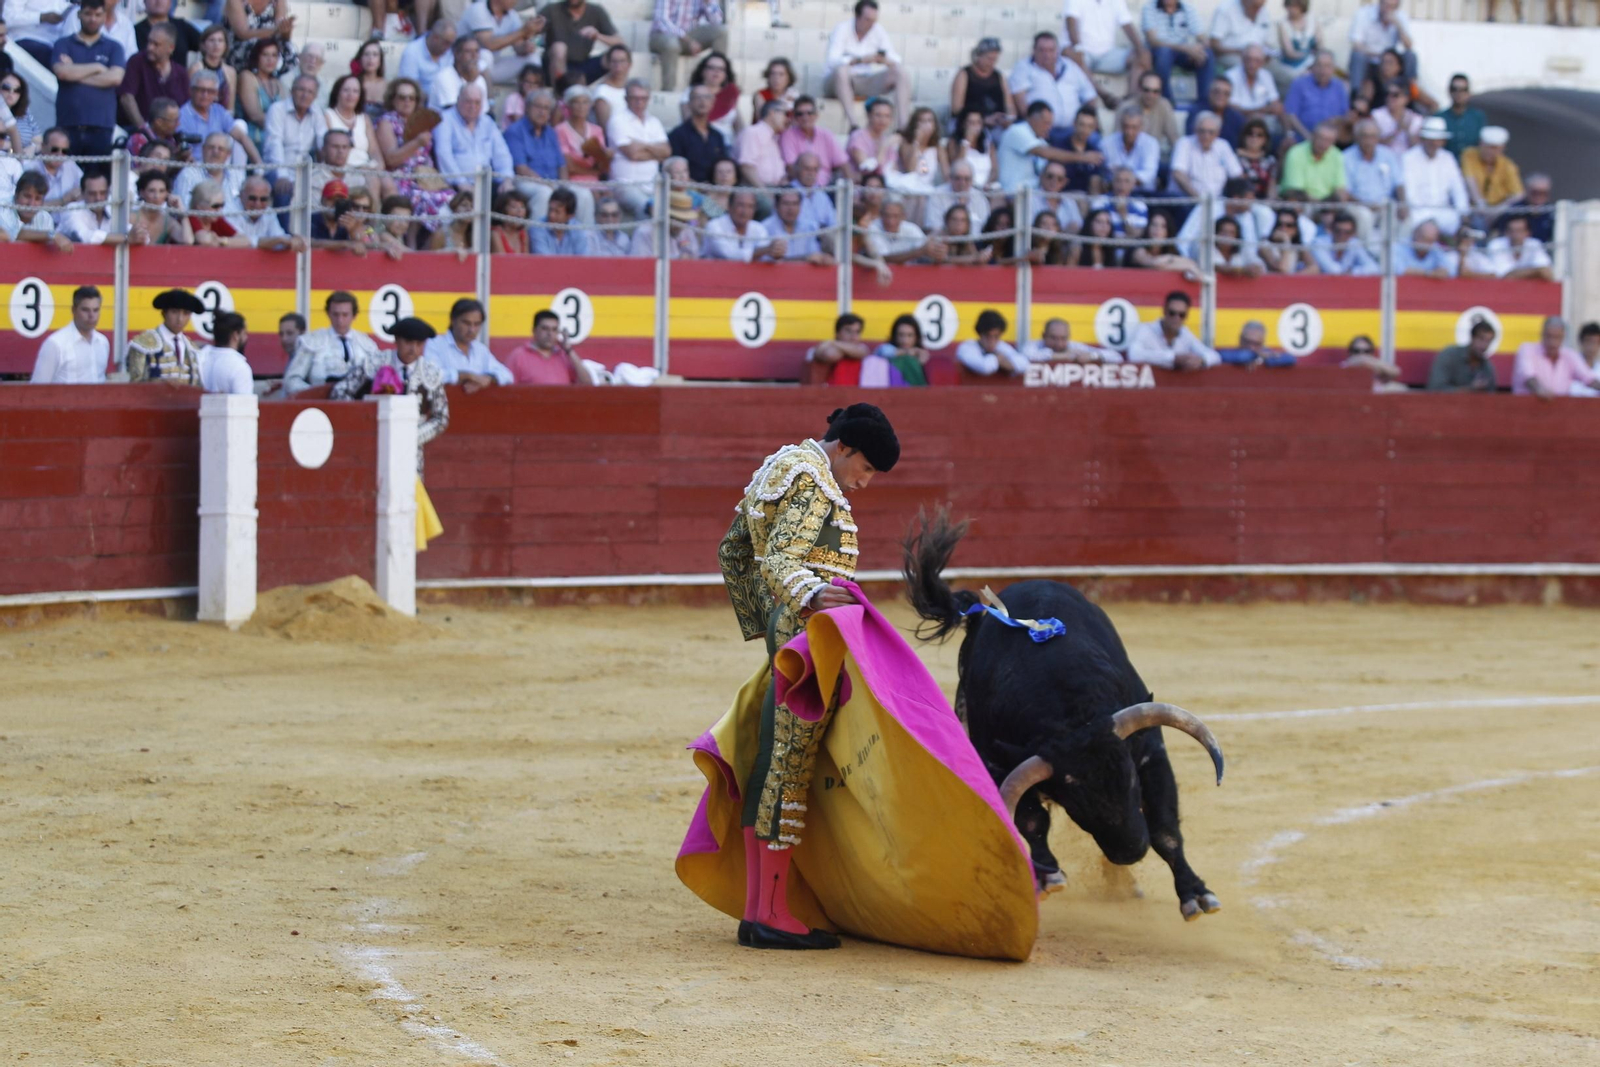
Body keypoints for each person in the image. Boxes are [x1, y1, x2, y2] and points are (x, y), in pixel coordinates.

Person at [698, 403, 898, 951]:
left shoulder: (782, 466)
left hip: (787, 634)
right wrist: (805, 601)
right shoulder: (815, 482)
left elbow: (734, 551)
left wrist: (768, 624)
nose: (864, 483)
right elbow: (783, 558)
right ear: (847, 449)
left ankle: (761, 909)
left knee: (772, 757)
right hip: (810, 640)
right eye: (867, 470)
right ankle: (769, 914)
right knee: (789, 763)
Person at [331, 316, 450, 552]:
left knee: (407, 506)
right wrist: (368, 429)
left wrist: (410, 438)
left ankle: (404, 559)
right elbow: (340, 394)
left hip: (411, 455)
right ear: (396, 340)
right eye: (408, 342)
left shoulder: (431, 373)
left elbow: (441, 417)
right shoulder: (374, 363)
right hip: (372, 449)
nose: (413, 349)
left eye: (419, 343)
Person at [51, 0, 126, 163]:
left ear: (104, 16)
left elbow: (115, 77)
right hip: (68, 124)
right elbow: (62, 73)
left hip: (101, 126)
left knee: (97, 181)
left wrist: (76, 73)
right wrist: (98, 66)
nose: (93, 19)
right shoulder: (63, 44)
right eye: (88, 14)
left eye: (98, 14)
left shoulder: (114, 47)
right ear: (79, 15)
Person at [825, 0, 908, 130]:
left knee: (900, 72)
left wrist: (883, 60)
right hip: (838, 81)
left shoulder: (877, 30)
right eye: (867, 19)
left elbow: (896, 59)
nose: (871, 24)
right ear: (857, 16)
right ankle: (853, 124)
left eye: (874, 20)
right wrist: (860, 60)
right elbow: (832, 61)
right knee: (842, 71)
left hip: (864, 80)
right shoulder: (842, 28)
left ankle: (903, 127)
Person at [283, 290, 380, 396]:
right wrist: (316, 392)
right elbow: (291, 381)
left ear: (354, 315)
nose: (340, 320)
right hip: (320, 405)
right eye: (336, 314)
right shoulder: (312, 341)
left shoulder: (367, 345)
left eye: (345, 315)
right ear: (328, 314)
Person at [1009, 32, 1097, 135]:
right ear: (1034, 51)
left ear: (1057, 51)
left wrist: (1089, 123)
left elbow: (1089, 96)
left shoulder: (1070, 66)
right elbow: (1021, 104)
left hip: (1075, 131)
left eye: (1051, 50)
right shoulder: (1023, 68)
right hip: (1043, 132)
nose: (1047, 55)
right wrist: (1039, 128)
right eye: (1042, 50)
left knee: (1098, 144)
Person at [608, 79, 671, 219]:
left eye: (643, 98)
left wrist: (642, 144)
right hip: (625, 185)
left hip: (653, 185)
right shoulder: (618, 120)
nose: (639, 102)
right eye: (634, 98)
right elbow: (633, 154)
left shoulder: (654, 122)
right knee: (648, 207)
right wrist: (655, 151)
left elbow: (666, 152)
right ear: (626, 99)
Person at [435, 84, 515, 194]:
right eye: (468, 101)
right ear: (458, 100)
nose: (473, 106)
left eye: (477, 102)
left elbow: (502, 154)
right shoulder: (444, 120)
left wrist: (506, 179)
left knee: (511, 198)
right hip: (456, 185)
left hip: (486, 183)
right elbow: (444, 155)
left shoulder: (487, 122)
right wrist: (461, 183)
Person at [426, 298, 513, 391]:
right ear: (453, 320)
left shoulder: (480, 349)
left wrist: (487, 379)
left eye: (477, 324)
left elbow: (507, 375)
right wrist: (466, 376)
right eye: (466, 323)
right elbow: (430, 376)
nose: (472, 330)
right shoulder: (434, 345)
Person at [1403, 117, 1469, 238]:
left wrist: (1463, 213)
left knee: (1461, 227)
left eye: (1438, 140)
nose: (1434, 143)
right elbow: (1410, 195)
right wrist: (1430, 218)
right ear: (1423, 139)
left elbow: (1458, 189)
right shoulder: (1409, 158)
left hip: (1444, 212)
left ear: (1443, 141)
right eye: (1430, 139)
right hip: (1419, 212)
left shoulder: (1448, 158)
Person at [262, 74, 323, 202]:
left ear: (315, 96)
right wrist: (282, 175)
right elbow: (274, 144)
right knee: (284, 191)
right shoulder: (277, 109)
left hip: (305, 172)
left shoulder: (317, 112)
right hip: (277, 168)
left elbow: (323, 141)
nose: (305, 95)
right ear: (292, 91)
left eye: (310, 92)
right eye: (301, 90)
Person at [181, 69, 262, 165]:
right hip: (195, 167)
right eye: (200, 90)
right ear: (191, 91)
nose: (205, 95)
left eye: (210, 91)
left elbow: (241, 137)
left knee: (240, 125)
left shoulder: (218, 111)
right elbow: (184, 153)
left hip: (220, 166)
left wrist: (258, 164)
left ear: (216, 94)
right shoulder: (182, 115)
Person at [31, 286, 109, 384]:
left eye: (96, 310)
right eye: (85, 310)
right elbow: (37, 389)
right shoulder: (55, 344)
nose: (91, 315)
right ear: (73, 310)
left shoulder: (102, 343)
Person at [119, 21, 188, 130]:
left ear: (170, 48)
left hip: (170, 134)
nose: (150, 47)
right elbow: (126, 97)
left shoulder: (181, 73)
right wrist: (143, 128)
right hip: (136, 130)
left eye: (156, 44)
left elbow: (185, 108)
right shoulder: (137, 61)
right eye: (149, 42)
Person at [1142, 0, 1213, 105]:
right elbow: (1153, 41)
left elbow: (1202, 37)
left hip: (1182, 53)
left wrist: (1198, 48)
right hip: (1160, 52)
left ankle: (1205, 102)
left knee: (1207, 54)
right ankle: (1166, 101)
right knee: (1163, 53)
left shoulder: (1188, 8)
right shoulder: (1149, 8)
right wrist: (1186, 49)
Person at [126, 288, 205, 383]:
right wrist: (160, 383)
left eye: (186, 313)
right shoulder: (143, 344)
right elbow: (134, 385)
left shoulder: (193, 348)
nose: (180, 319)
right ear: (164, 313)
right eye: (174, 312)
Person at [1064, 0, 1149, 86]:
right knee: (1071, 54)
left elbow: (1126, 24)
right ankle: (1102, 95)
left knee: (1141, 56)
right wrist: (1078, 48)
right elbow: (1071, 23)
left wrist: (1141, 50)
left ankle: (1131, 98)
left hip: (1108, 55)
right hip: (1083, 53)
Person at [1128, 290, 1219, 369]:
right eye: (1172, 313)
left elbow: (1214, 356)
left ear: (1186, 316)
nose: (1176, 318)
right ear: (1164, 311)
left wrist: (1201, 361)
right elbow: (1134, 355)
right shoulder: (1146, 330)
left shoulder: (1185, 334)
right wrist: (1172, 358)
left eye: (1181, 315)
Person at [538, 0, 621, 85]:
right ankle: (560, 93)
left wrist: (598, 36)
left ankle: (614, 92)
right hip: (553, 66)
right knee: (559, 48)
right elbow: (531, 30)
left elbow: (619, 42)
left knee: (617, 57)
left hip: (582, 65)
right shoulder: (552, 10)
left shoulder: (596, 11)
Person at [649, 0, 726, 92]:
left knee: (722, 32)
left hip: (690, 37)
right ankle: (668, 91)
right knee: (671, 45)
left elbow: (717, 22)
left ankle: (715, 87)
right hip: (662, 35)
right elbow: (661, 21)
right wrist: (688, 40)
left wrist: (708, 3)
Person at [503, 309, 596, 384]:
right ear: (534, 330)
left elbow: (587, 383)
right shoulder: (518, 356)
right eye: (545, 329)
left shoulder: (564, 356)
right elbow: (506, 388)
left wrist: (569, 350)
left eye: (554, 330)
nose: (550, 334)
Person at [460, 0, 542, 85]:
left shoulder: (512, 15)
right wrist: (522, 32)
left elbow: (518, 46)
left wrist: (526, 46)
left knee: (533, 58)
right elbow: (489, 44)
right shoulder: (479, 9)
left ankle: (533, 95)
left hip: (493, 67)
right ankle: (482, 93)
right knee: (485, 55)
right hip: (466, 67)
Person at [1512, 317, 1595, 399]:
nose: (1552, 342)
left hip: (1560, 409)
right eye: (1549, 336)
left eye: (1557, 337)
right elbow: (1528, 377)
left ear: (1563, 337)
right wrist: (1539, 389)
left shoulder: (1570, 355)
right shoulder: (1527, 350)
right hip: (1526, 408)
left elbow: (1589, 379)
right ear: (1542, 334)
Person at [1169, 110, 1241, 198]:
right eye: (1202, 131)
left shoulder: (1223, 146)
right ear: (1195, 130)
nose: (1206, 136)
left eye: (1211, 132)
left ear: (1218, 133)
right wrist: (1198, 198)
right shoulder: (1184, 143)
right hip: (1187, 199)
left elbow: (1237, 175)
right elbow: (1178, 174)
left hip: (1217, 201)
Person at [1346, 0, 1413, 93]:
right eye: (1386, 5)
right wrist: (1379, 55)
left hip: (1389, 63)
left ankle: (1411, 93)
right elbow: (1356, 45)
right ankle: (1355, 96)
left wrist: (1398, 25)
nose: (1387, 10)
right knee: (1358, 56)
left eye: (1391, 7)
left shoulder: (1400, 17)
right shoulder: (1363, 13)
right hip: (1369, 59)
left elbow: (1408, 45)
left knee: (1410, 56)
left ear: (1396, 8)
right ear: (1380, 3)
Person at [951, 38, 1015, 132]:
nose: (992, 62)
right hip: (969, 123)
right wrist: (983, 120)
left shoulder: (999, 76)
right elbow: (956, 109)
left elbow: (1010, 106)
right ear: (979, 56)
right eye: (989, 58)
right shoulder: (964, 74)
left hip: (997, 124)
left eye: (995, 59)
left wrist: (1008, 119)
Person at [1284, 50, 1345, 146]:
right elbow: (1291, 115)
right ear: (1313, 67)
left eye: (1327, 66)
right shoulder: (1299, 84)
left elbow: (1344, 115)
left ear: (1333, 69)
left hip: (1331, 141)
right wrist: (1309, 137)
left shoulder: (1339, 87)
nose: (1323, 70)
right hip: (1303, 140)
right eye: (1319, 65)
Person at [0, 171, 74, 251]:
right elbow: (14, 234)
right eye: (27, 196)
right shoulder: (4, 208)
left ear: (42, 202)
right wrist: (52, 235)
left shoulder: (45, 218)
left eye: (37, 199)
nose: (31, 204)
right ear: (16, 195)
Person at [704, 190, 785, 262]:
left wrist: (776, 251)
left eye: (750, 206)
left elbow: (765, 257)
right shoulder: (714, 226)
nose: (745, 211)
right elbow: (729, 255)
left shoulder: (758, 228)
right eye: (741, 205)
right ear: (729, 206)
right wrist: (766, 250)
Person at [1280, 121, 1347, 203]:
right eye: (1321, 138)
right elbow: (1295, 190)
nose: (1323, 143)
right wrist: (1319, 205)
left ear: (1334, 142)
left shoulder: (1337, 155)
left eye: (1328, 140)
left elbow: (1340, 189)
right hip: (1301, 202)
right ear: (1313, 136)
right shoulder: (1296, 153)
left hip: (1327, 205)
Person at [223, 0, 294, 76]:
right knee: (255, 49)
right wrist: (275, 30)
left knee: (289, 50)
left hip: (270, 42)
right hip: (243, 42)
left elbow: (282, 32)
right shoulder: (235, 1)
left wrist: (286, 28)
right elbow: (242, 33)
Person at [1426, 318, 1498, 393]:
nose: (1484, 345)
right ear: (1472, 338)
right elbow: (1435, 389)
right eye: (1481, 339)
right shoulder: (1450, 356)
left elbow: (1491, 398)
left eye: (1488, 341)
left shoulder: (1487, 368)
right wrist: (1470, 389)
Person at [1460, 126, 1523, 212]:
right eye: (1488, 147)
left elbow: (1518, 194)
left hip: (1497, 209)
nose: (1491, 152)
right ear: (1480, 144)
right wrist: (1480, 203)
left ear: (1503, 148)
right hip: (1473, 206)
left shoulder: (1508, 165)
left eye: (1495, 148)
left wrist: (1498, 209)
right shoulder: (1470, 155)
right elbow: (1469, 179)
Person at [59, 171, 130, 245]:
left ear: (108, 192)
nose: (98, 198)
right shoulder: (72, 210)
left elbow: (129, 230)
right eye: (92, 194)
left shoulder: (113, 210)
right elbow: (86, 237)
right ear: (82, 193)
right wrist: (126, 238)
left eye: (102, 193)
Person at [1102, 104, 1160, 193]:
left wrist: (1122, 182)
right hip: (1113, 193)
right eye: (1126, 126)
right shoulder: (1107, 143)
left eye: (1134, 127)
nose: (1129, 132)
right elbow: (1106, 173)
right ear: (1121, 125)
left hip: (1142, 193)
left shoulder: (1151, 144)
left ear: (1141, 127)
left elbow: (1149, 174)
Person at [768, 188, 833, 266]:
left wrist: (823, 258)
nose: (790, 208)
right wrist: (805, 258)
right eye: (786, 203)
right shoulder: (766, 227)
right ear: (776, 206)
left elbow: (814, 256)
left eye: (795, 204)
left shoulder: (809, 227)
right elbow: (768, 263)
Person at [923, 158, 989, 233]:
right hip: (945, 240)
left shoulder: (979, 197)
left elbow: (985, 224)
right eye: (958, 178)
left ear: (972, 180)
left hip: (975, 242)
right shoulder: (937, 195)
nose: (962, 183)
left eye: (966, 179)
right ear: (950, 178)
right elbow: (933, 226)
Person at [195, 311, 254, 394]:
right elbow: (244, 405)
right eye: (244, 333)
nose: (246, 337)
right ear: (236, 335)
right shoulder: (240, 367)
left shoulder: (198, 357)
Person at [630, 190, 702, 258]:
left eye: (685, 220)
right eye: (678, 219)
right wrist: (677, 261)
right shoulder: (645, 232)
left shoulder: (687, 230)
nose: (681, 225)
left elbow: (695, 258)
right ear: (666, 216)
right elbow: (640, 266)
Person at [956, 309, 1028, 377]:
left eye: (996, 336)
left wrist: (1011, 365)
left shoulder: (1001, 346)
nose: (992, 341)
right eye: (988, 336)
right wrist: (998, 359)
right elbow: (984, 367)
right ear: (980, 334)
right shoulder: (967, 347)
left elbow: (1024, 364)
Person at [737, 99, 790, 190]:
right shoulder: (753, 132)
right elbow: (746, 167)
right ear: (772, 113)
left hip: (774, 189)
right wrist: (765, 193)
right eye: (785, 114)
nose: (787, 119)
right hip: (755, 190)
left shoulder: (774, 138)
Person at [805, 313, 871, 385]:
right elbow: (831, 355)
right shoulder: (822, 348)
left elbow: (862, 352)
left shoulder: (829, 344)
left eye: (857, 332)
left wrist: (833, 343)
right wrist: (847, 350)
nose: (853, 336)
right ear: (837, 333)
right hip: (828, 394)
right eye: (848, 331)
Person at [1207, 0, 1273, 72]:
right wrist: (1240, 51)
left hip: (1259, 57)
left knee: (1285, 75)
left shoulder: (1263, 11)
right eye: (1255, 7)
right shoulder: (1225, 9)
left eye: (1261, 6)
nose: (1258, 10)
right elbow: (1214, 45)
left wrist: (1267, 52)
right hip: (1234, 57)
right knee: (1250, 67)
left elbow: (1267, 42)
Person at [429, 35, 489, 113]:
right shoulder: (444, 77)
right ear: (457, 54)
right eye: (468, 51)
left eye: (476, 51)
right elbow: (454, 113)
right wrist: (471, 83)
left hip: (472, 124)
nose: (474, 56)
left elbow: (484, 112)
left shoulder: (479, 79)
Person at [399, 21, 459, 99]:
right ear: (435, 38)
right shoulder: (412, 52)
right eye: (446, 43)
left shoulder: (449, 51)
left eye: (451, 44)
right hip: (423, 102)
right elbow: (410, 86)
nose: (448, 48)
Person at [1023, 316, 1120, 364]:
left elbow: (1116, 357)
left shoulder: (1074, 347)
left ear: (1068, 337)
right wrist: (1064, 356)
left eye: (1063, 338)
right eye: (1054, 338)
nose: (1059, 344)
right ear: (1044, 336)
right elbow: (1027, 356)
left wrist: (1092, 356)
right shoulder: (1034, 345)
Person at [845, 96, 899, 181]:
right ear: (869, 115)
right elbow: (868, 171)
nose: (883, 120)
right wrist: (883, 147)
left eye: (887, 116)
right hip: (861, 187)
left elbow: (893, 170)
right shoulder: (858, 137)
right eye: (878, 115)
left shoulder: (886, 139)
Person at [27, 129, 84, 206]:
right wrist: (63, 200)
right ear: (43, 147)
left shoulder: (70, 165)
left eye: (64, 151)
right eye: (55, 150)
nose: (59, 155)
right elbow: (29, 207)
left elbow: (85, 188)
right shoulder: (30, 168)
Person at [1486, 215, 1552, 281]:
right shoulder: (1496, 245)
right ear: (1506, 232)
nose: (1515, 235)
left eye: (1519, 231)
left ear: (1528, 233)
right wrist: (1536, 272)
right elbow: (1504, 277)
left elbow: (1546, 273)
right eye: (1512, 231)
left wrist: (1520, 274)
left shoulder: (1535, 244)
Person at [1436, 73, 1486, 160]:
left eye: (1463, 90)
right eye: (1454, 89)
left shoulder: (1478, 118)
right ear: (1449, 91)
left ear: (1469, 93)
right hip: (1445, 168)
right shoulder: (1439, 118)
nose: (1458, 93)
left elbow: (1483, 145)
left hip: (1471, 168)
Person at [530, 185, 592, 255]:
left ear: (570, 216)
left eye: (557, 212)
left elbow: (583, 260)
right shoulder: (538, 227)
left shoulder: (578, 230)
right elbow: (544, 261)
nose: (551, 215)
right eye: (550, 209)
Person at [190, 23, 238, 113]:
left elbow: (231, 106)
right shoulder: (195, 69)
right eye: (212, 40)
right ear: (204, 45)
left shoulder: (231, 72)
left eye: (220, 41)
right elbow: (191, 99)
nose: (216, 45)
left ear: (225, 45)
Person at [1272, 0, 1319, 91]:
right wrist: (1308, 56)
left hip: (1312, 61)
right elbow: (1290, 53)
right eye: (1289, 5)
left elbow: (1320, 45)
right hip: (1292, 64)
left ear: (1302, 6)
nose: (1291, 9)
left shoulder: (1313, 21)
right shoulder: (1283, 24)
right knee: (1306, 76)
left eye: (1295, 6)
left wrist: (1314, 60)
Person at [588, 43, 632, 128]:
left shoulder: (632, 88)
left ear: (629, 64)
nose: (618, 67)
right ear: (608, 64)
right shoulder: (602, 92)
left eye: (622, 61)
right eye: (614, 62)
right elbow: (606, 129)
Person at [1217, 320, 1294, 367]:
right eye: (1247, 342)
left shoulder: (1266, 353)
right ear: (1241, 339)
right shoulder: (1232, 353)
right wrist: (1254, 356)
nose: (1251, 347)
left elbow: (1290, 359)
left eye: (1256, 344)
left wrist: (1267, 358)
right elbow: (1222, 356)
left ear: (1262, 342)